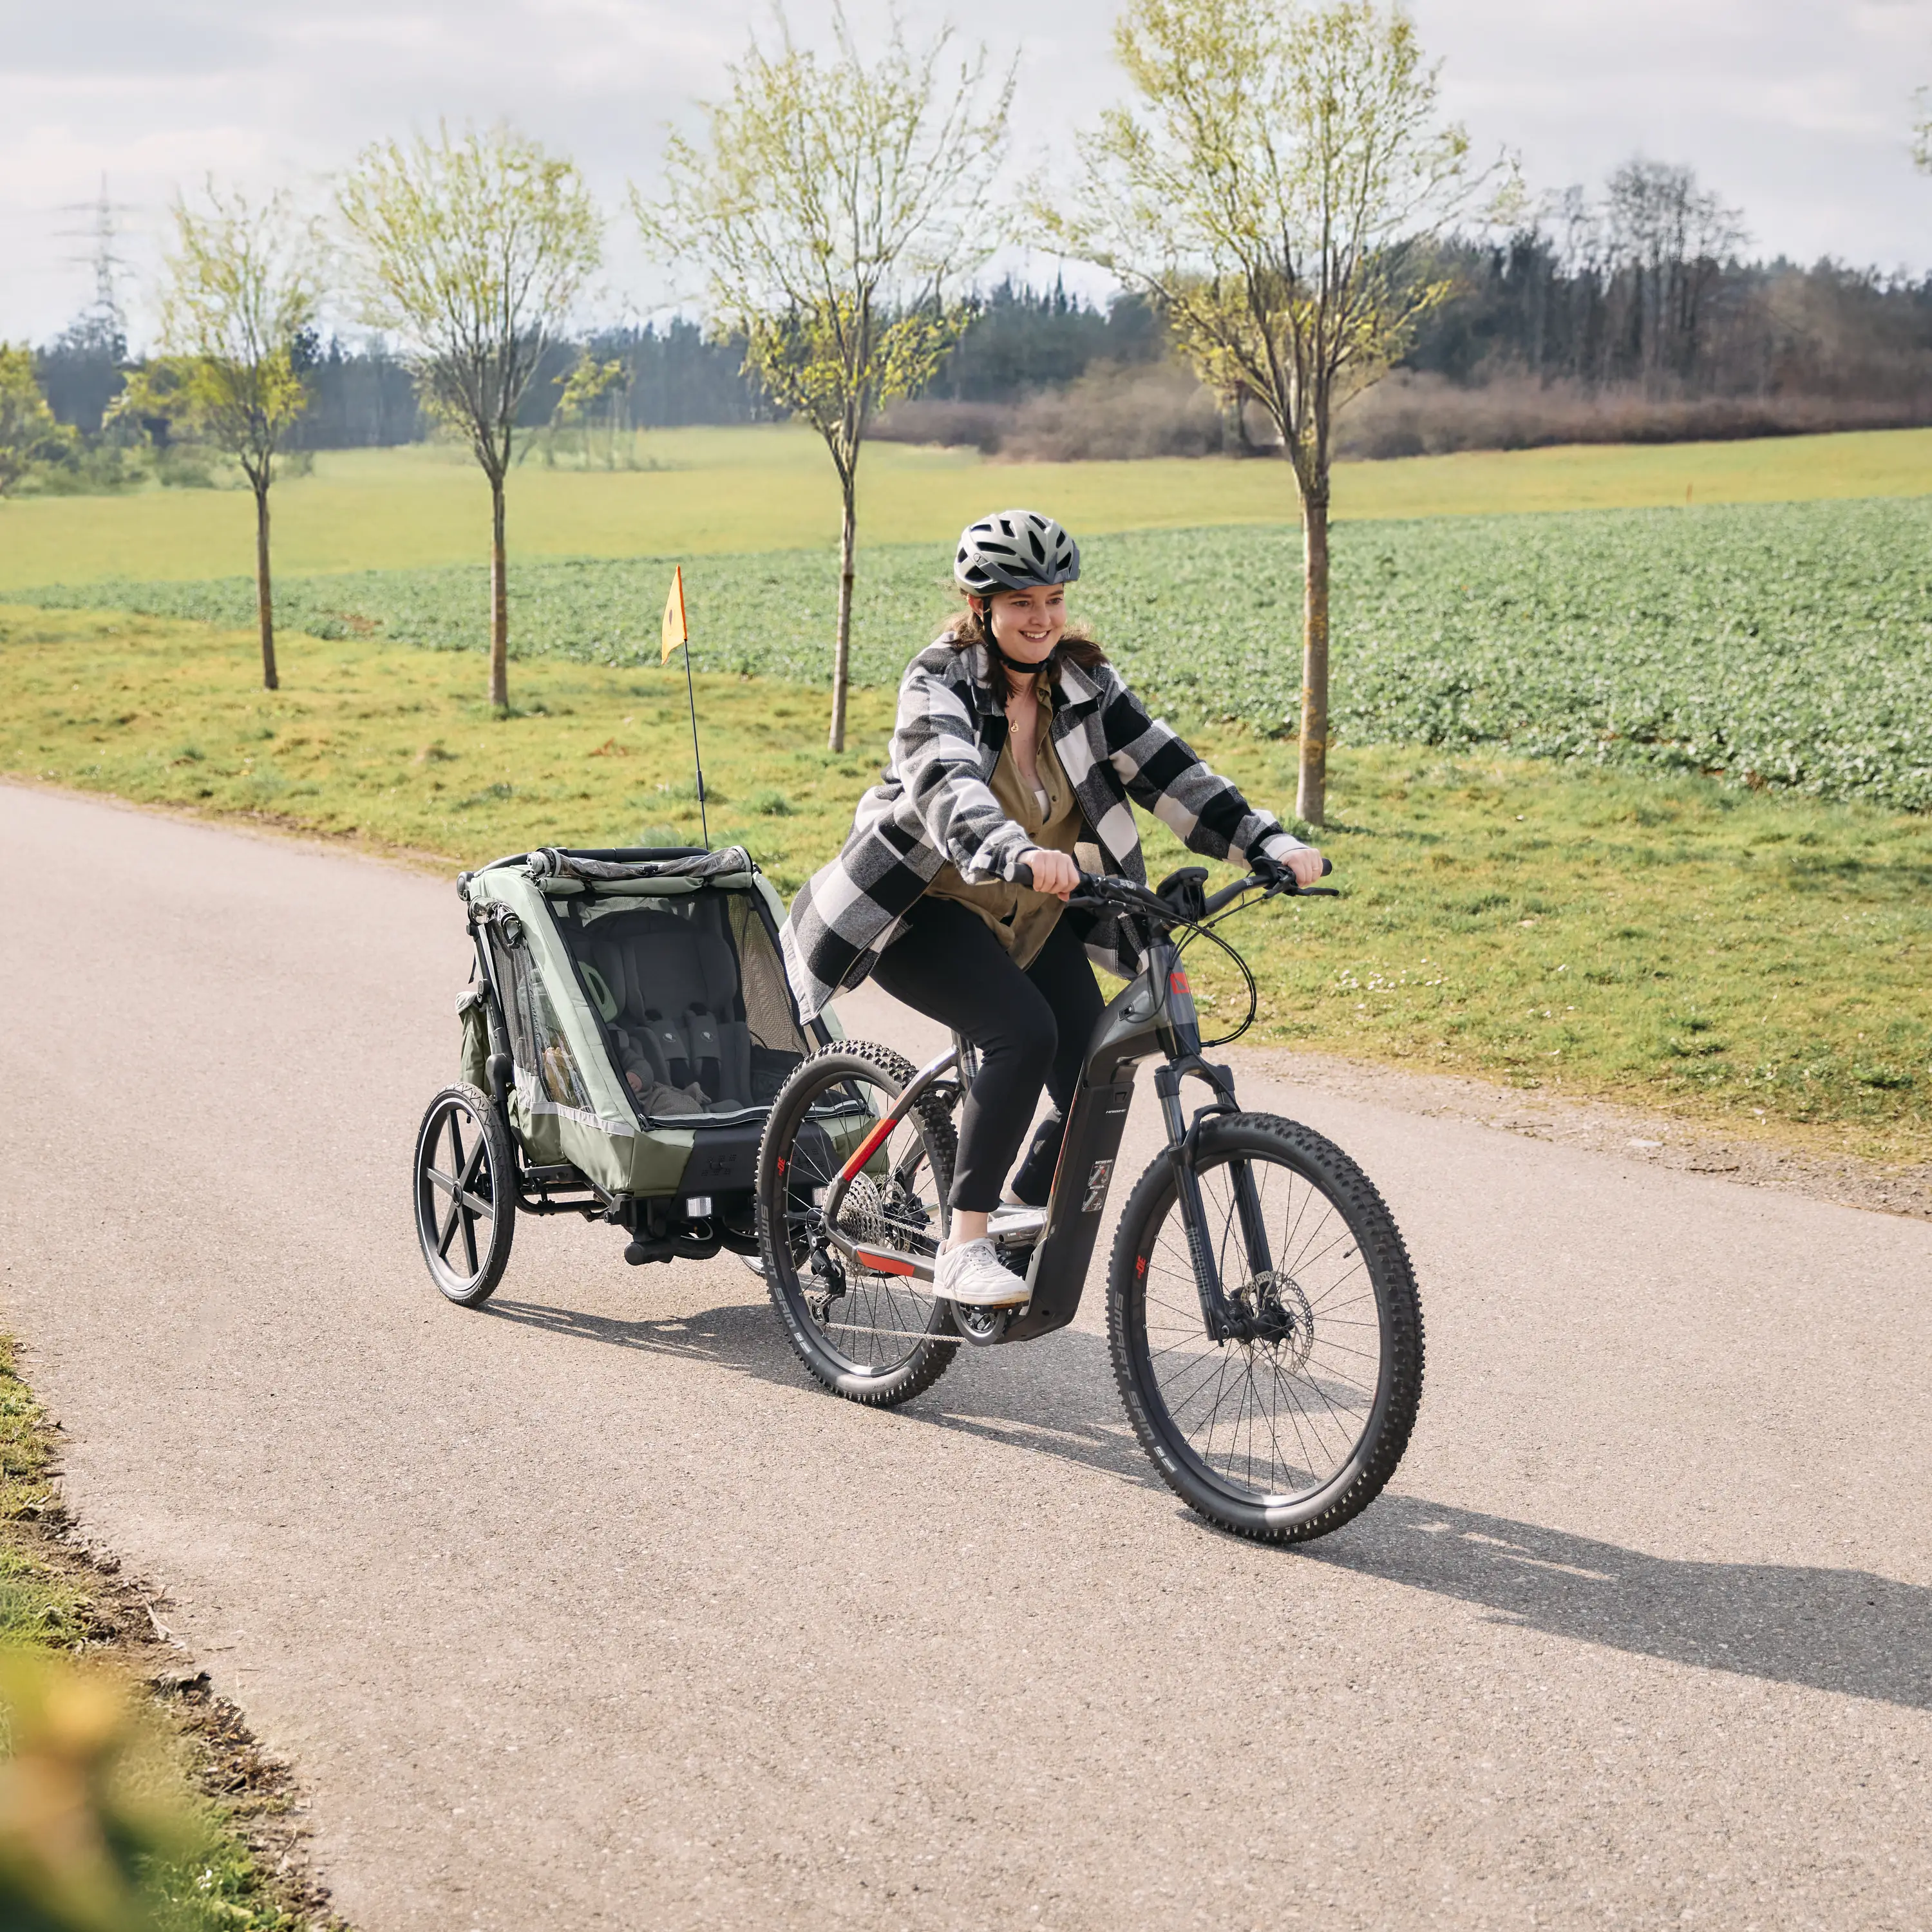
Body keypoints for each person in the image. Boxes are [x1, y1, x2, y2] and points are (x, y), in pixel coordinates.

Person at [781, 509, 1325, 1309]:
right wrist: (1017, 852)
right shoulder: (938, 679)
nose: (1041, 619)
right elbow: (948, 784)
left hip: (1035, 915)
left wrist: (1264, 841)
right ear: (981, 609)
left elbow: (1174, 773)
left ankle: (1013, 1206)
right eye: (1020, 603)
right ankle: (966, 1245)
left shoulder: (1087, 687)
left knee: (1094, 1076)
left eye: (1053, 600)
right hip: (924, 906)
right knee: (1021, 1035)